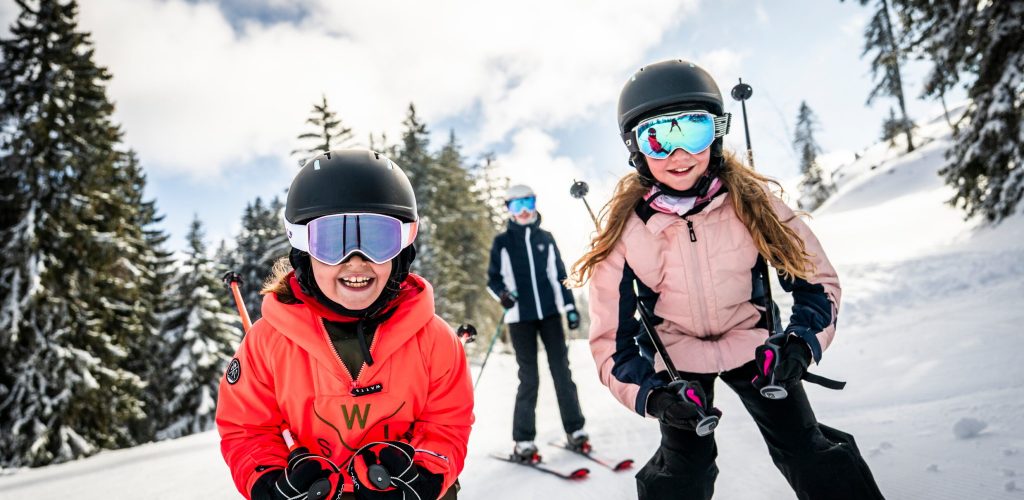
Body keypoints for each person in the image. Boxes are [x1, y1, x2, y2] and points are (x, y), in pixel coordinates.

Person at [571, 60, 885, 499]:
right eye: (658, 137)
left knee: (806, 448)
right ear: (636, 148)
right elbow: (612, 342)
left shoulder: (753, 204)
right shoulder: (627, 233)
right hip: (677, 361)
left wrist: (798, 342)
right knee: (685, 469)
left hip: (756, 344)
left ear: (717, 133)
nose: (679, 155)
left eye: (694, 131)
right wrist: (655, 396)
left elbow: (817, 283)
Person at [216, 149, 474, 500]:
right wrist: (268, 483)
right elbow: (247, 428)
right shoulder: (268, 342)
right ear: (304, 249)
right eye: (332, 241)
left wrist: (426, 475)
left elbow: (447, 422)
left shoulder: (434, 340)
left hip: (402, 488)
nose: (356, 261)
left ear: (401, 250)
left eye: (377, 239)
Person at [486, 184, 588, 461]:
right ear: (508, 209)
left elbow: (560, 274)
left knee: (561, 372)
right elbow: (492, 281)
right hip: (520, 319)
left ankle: (575, 430)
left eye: (528, 203)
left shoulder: (546, 238)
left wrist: (569, 307)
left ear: (535, 204)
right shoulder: (503, 242)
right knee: (528, 378)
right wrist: (503, 296)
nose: (523, 211)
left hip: (550, 315)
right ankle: (523, 441)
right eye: (516, 206)